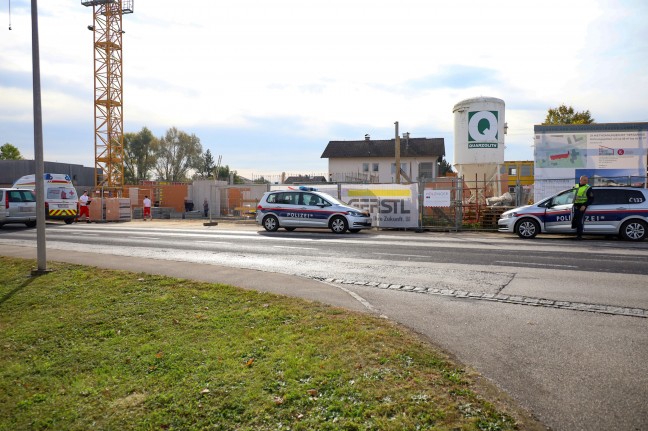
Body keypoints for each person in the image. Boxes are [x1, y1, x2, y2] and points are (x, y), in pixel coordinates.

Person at [571, 175, 593, 239]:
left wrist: (584, 205)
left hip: (582, 206)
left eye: (587, 180)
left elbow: (591, 199)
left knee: (578, 220)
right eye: (585, 180)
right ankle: (573, 228)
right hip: (574, 205)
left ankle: (579, 235)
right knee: (575, 218)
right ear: (580, 180)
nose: (586, 181)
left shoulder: (588, 188)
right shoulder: (575, 186)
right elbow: (571, 196)